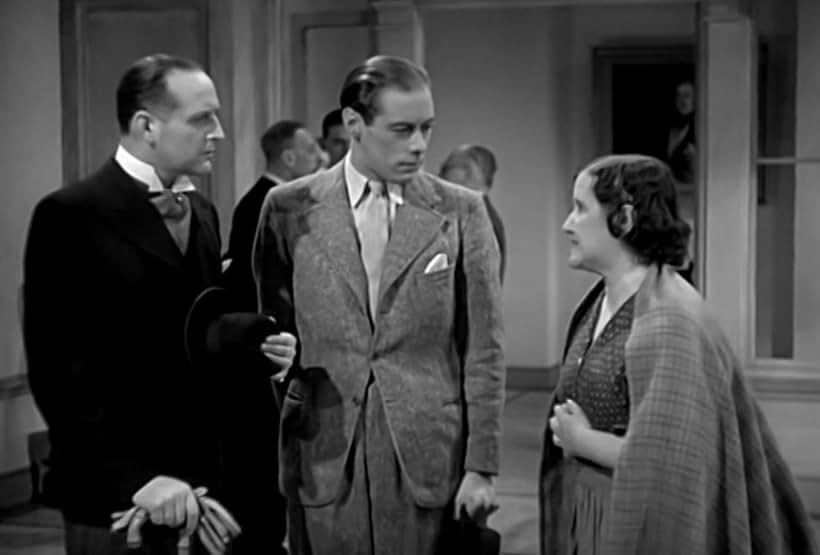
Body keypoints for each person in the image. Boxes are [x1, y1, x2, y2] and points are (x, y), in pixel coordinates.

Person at [22, 54, 296, 554]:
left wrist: (263, 351)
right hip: (122, 496)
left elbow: (195, 335)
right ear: (146, 125)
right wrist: (136, 479)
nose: (219, 132)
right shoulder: (69, 216)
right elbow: (60, 375)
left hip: (207, 489)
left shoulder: (204, 212)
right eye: (201, 118)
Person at [253, 55, 505, 554]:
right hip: (322, 449)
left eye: (427, 128)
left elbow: (485, 349)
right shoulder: (287, 208)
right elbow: (271, 334)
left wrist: (482, 465)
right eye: (402, 129)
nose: (419, 144)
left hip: (427, 455)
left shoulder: (461, 211)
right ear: (354, 124)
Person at [538, 154, 817, 554]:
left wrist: (581, 440)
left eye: (581, 209)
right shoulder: (602, 301)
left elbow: (672, 460)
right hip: (586, 514)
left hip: (639, 525)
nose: (567, 224)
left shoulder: (670, 320)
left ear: (624, 219)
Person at [224, 120, 325, 311]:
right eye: (311, 150)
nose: (321, 157)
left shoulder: (263, 199)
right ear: (289, 158)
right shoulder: (267, 204)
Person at [440, 144, 506, 283]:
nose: (439, 175)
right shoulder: (476, 216)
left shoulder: (477, 221)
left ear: (468, 171)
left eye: (447, 168)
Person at [665, 80, 696, 185]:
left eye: (686, 95)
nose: (682, 100)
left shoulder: (700, 123)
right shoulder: (671, 121)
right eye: (679, 95)